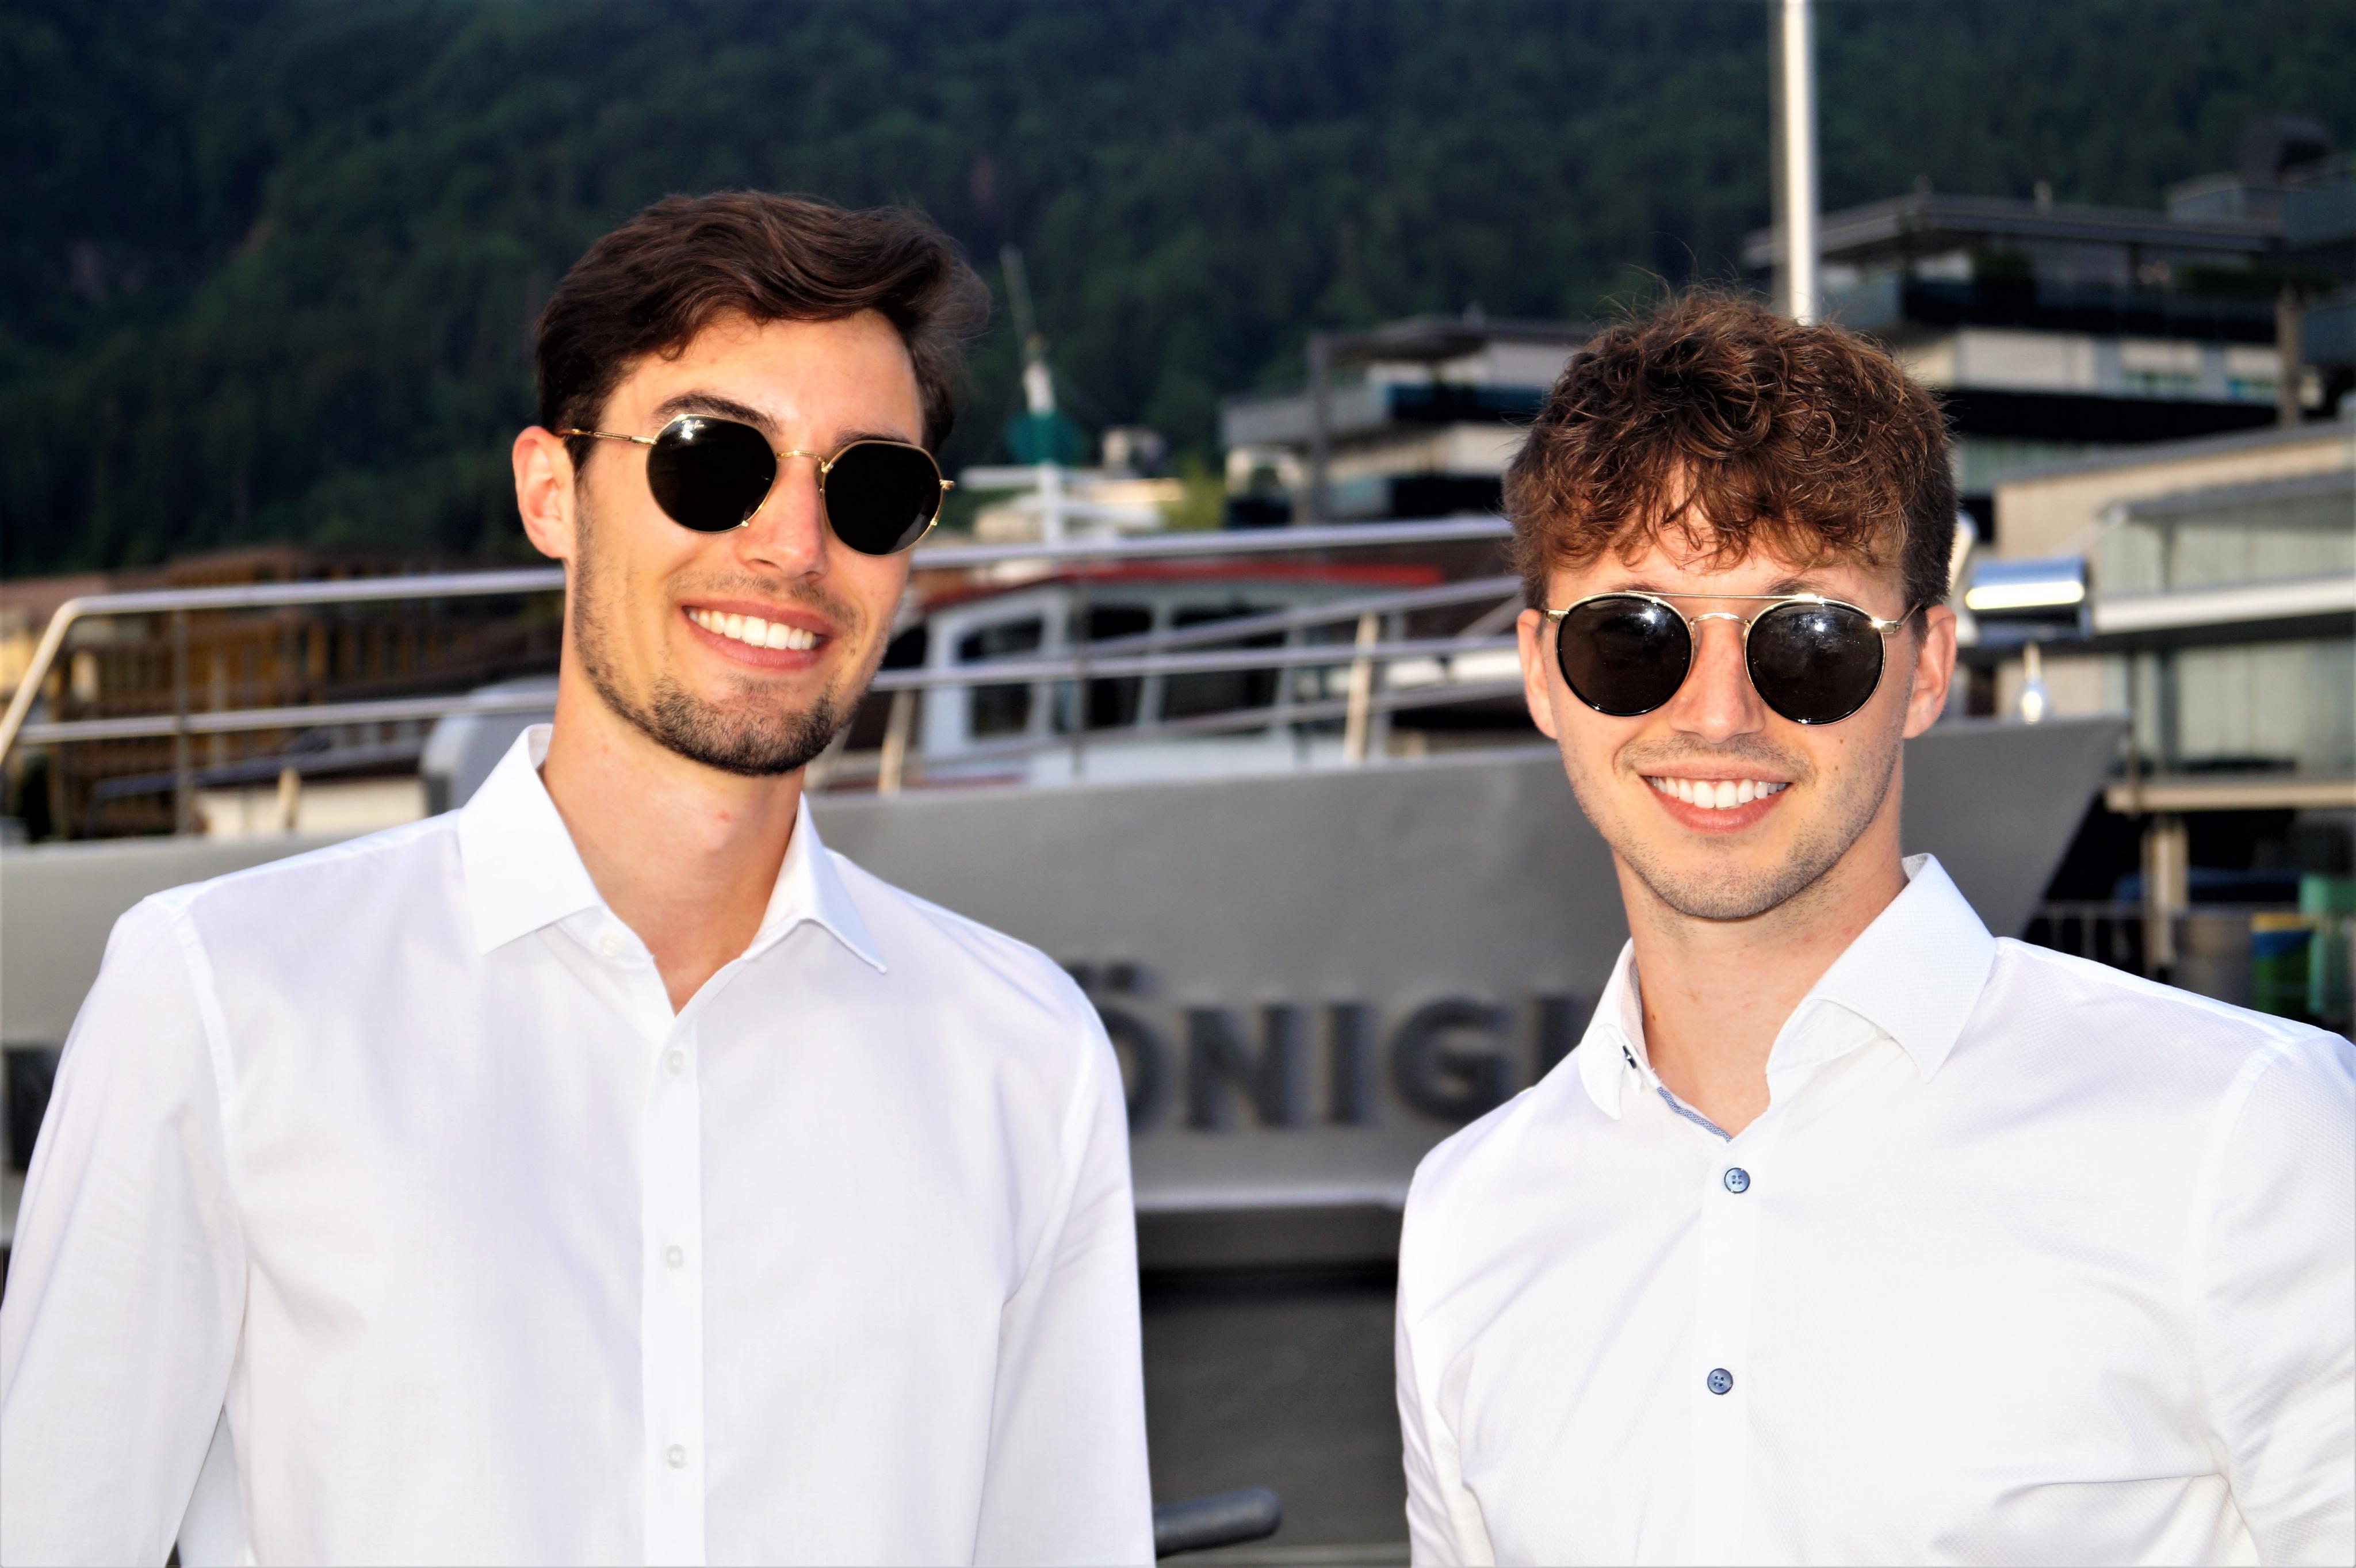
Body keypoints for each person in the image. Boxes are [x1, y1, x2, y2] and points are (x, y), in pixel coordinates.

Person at [0, 193, 1154, 1566]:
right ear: (551, 493)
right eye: (712, 460)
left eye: (868, 489)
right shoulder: (222, 996)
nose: (793, 545)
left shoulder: (1028, 1059)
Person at [1393, 294, 2354, 1566]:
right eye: (1633, 639)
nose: (1718, 716)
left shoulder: (2247, 1134)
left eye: (1808, 640)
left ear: (1927, 668)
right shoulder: (1465, 1218)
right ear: (1538, 672)